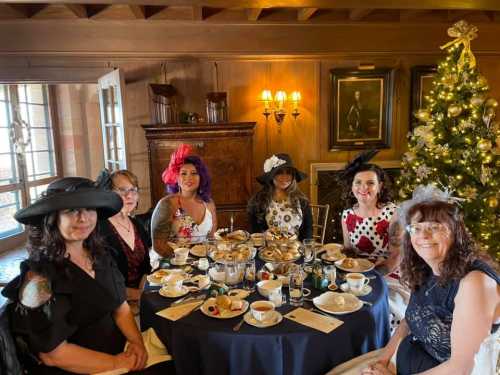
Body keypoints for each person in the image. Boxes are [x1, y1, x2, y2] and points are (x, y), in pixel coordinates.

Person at [1, 177, 148, 374]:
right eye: (71, 210)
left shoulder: (101, 255)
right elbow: (53, 355)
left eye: (89, 209)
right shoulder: (38, 279)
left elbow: (120, 307)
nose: (84, 218)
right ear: (52, 218)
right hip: (83, 369)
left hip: (120, 355)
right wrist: (117, 363)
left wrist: (137, 342)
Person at [361, 185, 500, 375]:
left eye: (434, 227)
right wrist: (382, 360)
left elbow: (461, 368)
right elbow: (409, 320)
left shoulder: (475, 282)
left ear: (455, 231)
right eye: (416, 228)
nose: (423, 236)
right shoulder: (427, 267)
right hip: (409, 360)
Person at [340, 150, 408, 333]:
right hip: (356, 274)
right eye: (358, 182)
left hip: (387, 275)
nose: (364, 188)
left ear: (380, 186)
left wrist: (370, 277)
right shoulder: (347, 215)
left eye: (370, 183)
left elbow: (396, 257)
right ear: (352, 186)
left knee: (381, 312)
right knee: (338, 307)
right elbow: (348, 250)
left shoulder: (393, 213)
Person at [96, 169, 152, 305]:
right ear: (108, 194)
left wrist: (141, 296)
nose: (129, 196)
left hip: (140, 301)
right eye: (122, 190)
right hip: (114, 306)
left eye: (133, 190)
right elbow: (103, 282)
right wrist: (139, 296)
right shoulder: (99, 229)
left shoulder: (136, 224)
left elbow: (146, 268)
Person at [151, 144, 217, 257]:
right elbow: (159, 246)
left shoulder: (209, 204)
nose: (188, 178)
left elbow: (211, 240)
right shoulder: (167, 204)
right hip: (170, 266)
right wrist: (185, 262)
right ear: (176, 177)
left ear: (201, 177)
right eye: (183, 173)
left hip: (200, 265)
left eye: (194, 173)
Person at [247, 153, 312, 241]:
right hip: (268, 250)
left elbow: (308, 230)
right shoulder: (258, 200)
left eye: (288, 173)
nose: (284, 177)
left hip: (295, 250)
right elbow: (253, 230)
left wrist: (304, 250)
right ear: (271, 176)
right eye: (279, 172)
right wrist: (263, 235)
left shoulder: (302, 200)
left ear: (293, 177)